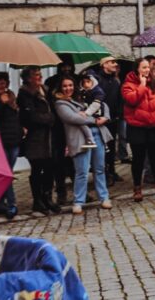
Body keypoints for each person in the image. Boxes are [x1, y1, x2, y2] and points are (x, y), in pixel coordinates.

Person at [53, 76, 113, 214]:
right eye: (65, 86)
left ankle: (104, 198)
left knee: (100, 168)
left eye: (70, 85)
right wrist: (94, 119)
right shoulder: (61, 104)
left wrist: (106, 117)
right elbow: (74, 118)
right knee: (82, 171)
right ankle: (78, 201)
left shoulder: (82, 97)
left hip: (98, 134)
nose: (68, 88)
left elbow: (103, 105)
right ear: (60, 88)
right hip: (80, 139)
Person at [122, 58, 155, 201]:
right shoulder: (127, 85)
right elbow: (131, 100)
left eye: (148, 67)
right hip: (137, 127)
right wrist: (142, 86)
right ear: (137, 69)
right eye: (143, 67)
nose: (147, 70)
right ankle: (137, 188)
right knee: (138, 159)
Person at [17, 67, 60, 214]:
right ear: (29, 78)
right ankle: (37, 200)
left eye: (40, 74)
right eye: (36, 75)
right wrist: (48, 119)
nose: (40, 77)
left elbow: (53, 110)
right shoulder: (24, 93)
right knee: (37, 169)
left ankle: (47, 197)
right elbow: (31, 117)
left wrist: (51, 117)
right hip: (35, 138)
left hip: (49, 136)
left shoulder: (46, 90)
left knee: (50, 167)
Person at [0, 72, 21, 219]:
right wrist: (1, 102)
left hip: (14, 140)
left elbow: (16, 117)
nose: (0, 86)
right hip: (0, 141)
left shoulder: (12, 97)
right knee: (7, 175)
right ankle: (11, 205)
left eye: (3, 83)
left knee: (6, 174)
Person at [86, 56, 124, 185]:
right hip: (100, 119)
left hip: (113, 119)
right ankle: (105, 173)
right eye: (112, 62)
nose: (115, 64)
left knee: (112, 147)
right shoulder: (98, 80)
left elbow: (119, 99)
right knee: (103, 148)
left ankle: (112, 171)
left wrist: (119, 114)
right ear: (104, 65)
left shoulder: (115, 81)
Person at [76, 74, 104, 150]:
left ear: (93, 81)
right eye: (83, 82)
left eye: (88, 82)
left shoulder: (97, 91)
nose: (86, 84)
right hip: (87, 118)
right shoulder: (82, 92)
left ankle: (91, 140)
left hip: (96, 115)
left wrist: (86, 113)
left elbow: (96, 104)